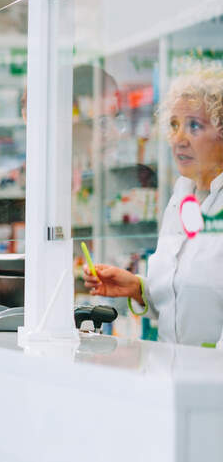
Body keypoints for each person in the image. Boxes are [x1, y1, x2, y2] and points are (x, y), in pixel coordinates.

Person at [85, 68, 223, 348]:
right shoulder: (180, 199)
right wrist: (138, 288)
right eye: (173, 125)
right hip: (172, 367)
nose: (179, 138)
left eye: (194, 126)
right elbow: (181, 301)